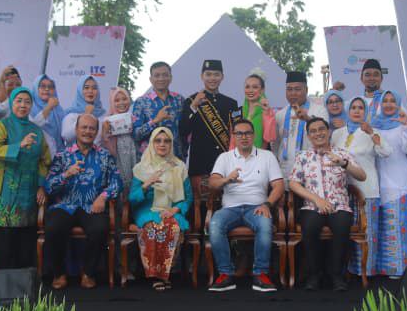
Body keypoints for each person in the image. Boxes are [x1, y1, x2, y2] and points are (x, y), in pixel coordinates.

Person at [44, 113, 122, 289]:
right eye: (84, 127)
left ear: (96, 132)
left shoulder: (104, 155)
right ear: (76, 129)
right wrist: (66, 174)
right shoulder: (62, 155)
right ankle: (59, 274)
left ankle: (88, 273)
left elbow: (117, 182)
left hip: (92, 206)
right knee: (53, 227)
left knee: (100, 228)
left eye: (92, 128)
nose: (87, 131)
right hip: (65, 205)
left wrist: (103, 197)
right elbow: (48, 186)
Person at [288, 117, 367, 291]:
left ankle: (336, 275)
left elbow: (362, 176)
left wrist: (344, 164)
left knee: (341, 225)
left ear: (328, 131)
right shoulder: (303, 157)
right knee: (310, 226)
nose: (318, 133)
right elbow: (293, 183)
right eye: (313, 131)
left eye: (321, 129)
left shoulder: (342, 154)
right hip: (312, 206)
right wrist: (317, 200)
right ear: (309, 136)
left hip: (339, 205)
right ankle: (314, 275)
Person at [207, 119, 285, 293]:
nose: (244, 137)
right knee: (215, 224)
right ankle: (225, 275)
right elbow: (212, 183)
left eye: (248, 133)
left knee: (265, 224)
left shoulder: (267, 156)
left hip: (257, 206)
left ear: (253, 135)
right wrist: (226, 179)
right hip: (230, 208)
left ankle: (261, 274)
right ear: (233, 136)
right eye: (239, 133)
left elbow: (279, 185)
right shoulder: (225, 157)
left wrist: (267, 204)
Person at [0, 86, 50, 270]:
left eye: (27, 102)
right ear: (12, 103)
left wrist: (41, 185)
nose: (23, 105)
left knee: (25, 243)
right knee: (3, 242)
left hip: (28, 194)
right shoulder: (3, 126)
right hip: (3, 193)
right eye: (19, 101)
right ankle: (2, 283)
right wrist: (19, 145)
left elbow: (45, 161)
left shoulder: (37, 131)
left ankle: (23, 284)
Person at [128, 127, 194, 290]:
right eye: (158, 141)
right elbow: (132, 199)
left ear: (171, 144)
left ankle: (165, 274)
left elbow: (188, 197)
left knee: (172, 226)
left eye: (167, 141)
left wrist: (176, 210)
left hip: (171, 209)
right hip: (147, 209)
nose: (162, 144)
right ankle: (155, 275)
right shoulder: (141, 167)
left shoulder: (179, 167)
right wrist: (146, 184)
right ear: (152, 143)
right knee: (152, 226)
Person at [332, 97, 391, 276]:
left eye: (360, 108)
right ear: (348, 110)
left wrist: (372, 133)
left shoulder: (371, 131)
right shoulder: (338, 133)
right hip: (342, 191)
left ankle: (367, 273)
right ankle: (348, 271)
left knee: (367, 232)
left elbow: (386, 152)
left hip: (367, 189)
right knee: (345, 232)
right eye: (353, 107)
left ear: (366, 112)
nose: (357, 111)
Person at [363, 90, 407, 277]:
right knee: (382, 230)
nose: (389, 104)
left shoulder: (402, 125)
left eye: (393, 101)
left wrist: (406, 126)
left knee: (399, 229)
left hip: (399, 183)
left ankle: (400, 270)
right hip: (378, 184)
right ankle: (381, 270)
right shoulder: (373, 126)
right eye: (385, 100)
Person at [181, 59, 239, 177]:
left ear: (222, 77)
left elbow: (236, 133)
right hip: (201, 163)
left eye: (216, 74)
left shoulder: (231, 103)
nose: (212, 78)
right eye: (208, 74)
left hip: (225, 163)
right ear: (202, 76)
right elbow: (183, 130)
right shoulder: (191, 101)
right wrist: (194, 106)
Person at [274, 71, 327, 179]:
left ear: (306, 90)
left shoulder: (319, 110)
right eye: (289, 89)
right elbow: (276, 144)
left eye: (297, 89)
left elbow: (325, 135)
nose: (293, 93)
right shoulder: (280, 114)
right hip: (285, 171)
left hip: (311, 170)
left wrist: (308, 119)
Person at [132, 61, 187, 159]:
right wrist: (155, 121)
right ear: (151, 79)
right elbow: (136, 135)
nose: (161, 78)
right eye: (157, 75)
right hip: (150, 161)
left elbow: (185, 131)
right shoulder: (141, 102)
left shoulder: (179, 100)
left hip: (175, 159)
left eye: (165, 75)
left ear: (171, 78)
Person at [101, 87, 137, 190]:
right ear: (112, 102)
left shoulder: (134, 117)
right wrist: (105, 132)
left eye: (124, 99)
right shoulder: (108, 121)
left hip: (134, 157)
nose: (121, 103)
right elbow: (104, 144)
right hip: (117, 160)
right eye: (116, 100)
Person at [237, 71, 278, 150]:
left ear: (262, 90)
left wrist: (267, 115)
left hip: (261, 154)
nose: (250, 90)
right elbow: (233, 140)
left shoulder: (267, 111)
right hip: (239, 155)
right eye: (247, 87)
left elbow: (270, 138)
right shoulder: (238, 112)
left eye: (255, 87)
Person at [61, 75, 106, 144]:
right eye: (86, 88)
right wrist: (86, 115)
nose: (90, 91)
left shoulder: (103, 115)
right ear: (80, 91)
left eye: (94, 88)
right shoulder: (72, 113)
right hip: (75, 151)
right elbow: (66, 136)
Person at [30, 74, 66, 152]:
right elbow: (32, 128)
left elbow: (65, 134)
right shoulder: (30, 108)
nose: (47, 89)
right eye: (42, 86)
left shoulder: (58, 109)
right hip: (38, 153)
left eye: (50, 87)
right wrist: (49, 107)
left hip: (59, 153)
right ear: (36, 89)